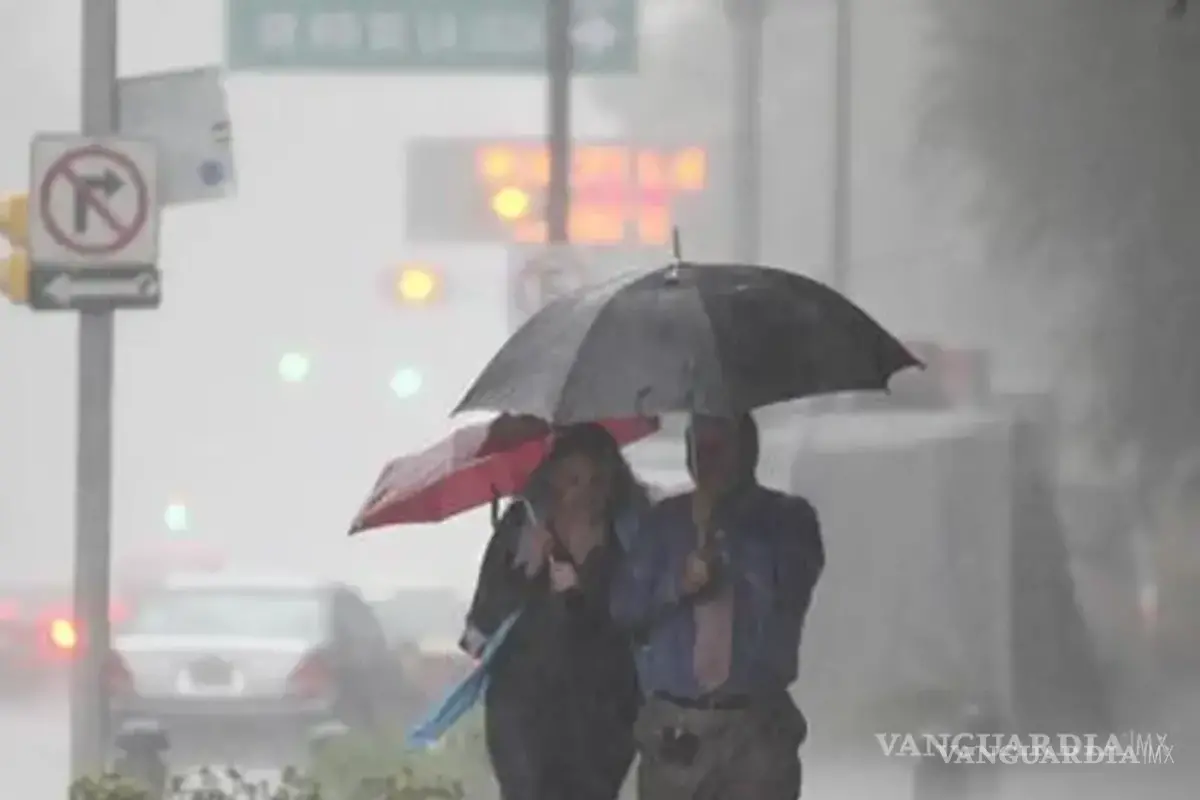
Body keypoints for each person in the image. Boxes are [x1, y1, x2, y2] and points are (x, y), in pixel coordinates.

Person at [611, 413, 825, 800]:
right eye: (699, 449)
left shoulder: (788, 519)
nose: (708, 461)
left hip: (755, 727)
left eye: (720, 448)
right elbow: (625, 608)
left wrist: (725, 534)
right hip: (677, 729)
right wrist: (679, 584)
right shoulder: (663, 524)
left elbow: (791, 585)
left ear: (749, 451)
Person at [461, 423, 647, 800]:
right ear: (553, 479)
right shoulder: (521, 526)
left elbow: (638, 623)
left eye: (597, 481)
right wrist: (524, 574)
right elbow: (482, 623)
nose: (584, 494)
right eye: (573, 480)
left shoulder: (631, 537)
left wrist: (579, 598)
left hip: (601, 716)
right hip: (524, 709)